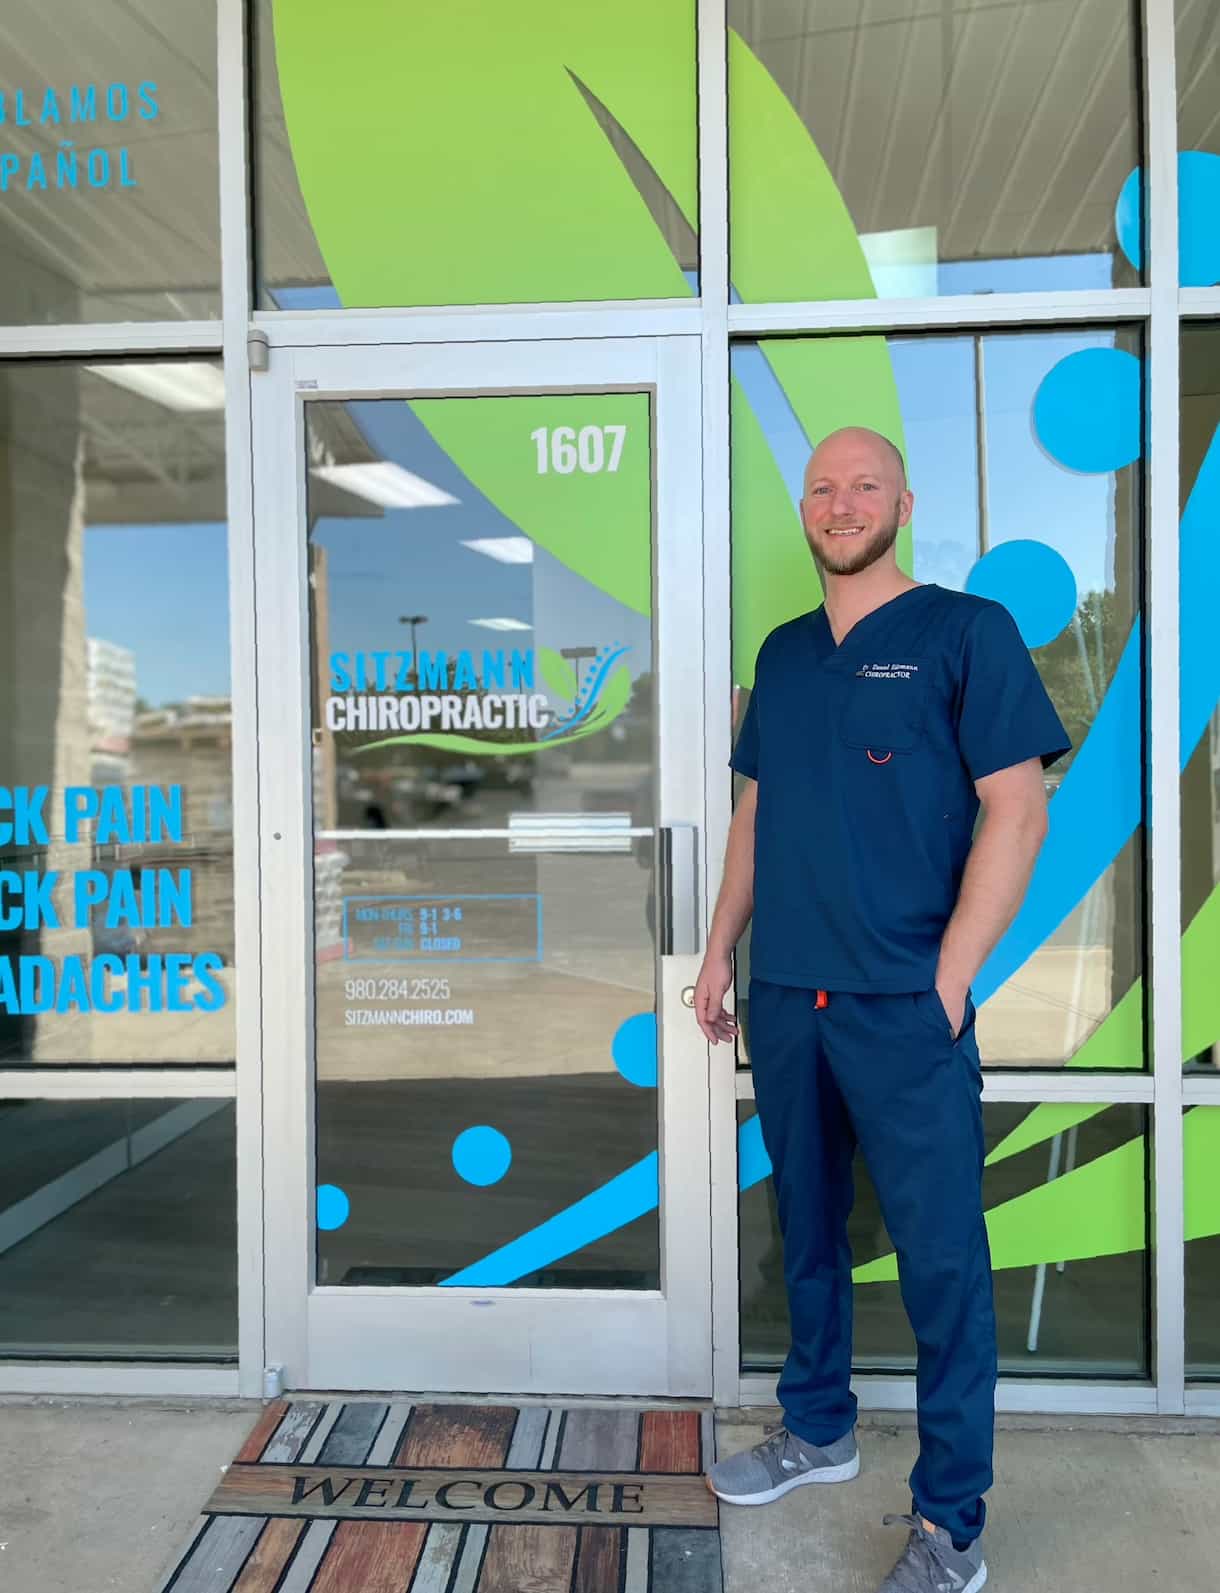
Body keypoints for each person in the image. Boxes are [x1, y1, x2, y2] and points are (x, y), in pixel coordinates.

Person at [696, 427, 1069, 1593]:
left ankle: (949, 1521)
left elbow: (1015, 811)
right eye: (823, 487)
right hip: (788, 997)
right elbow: (757, 817)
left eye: (863, 485)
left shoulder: (966, 634)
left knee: (940, 1260)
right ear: (805, 511)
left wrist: (952, 972)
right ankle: (816, 1429)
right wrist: (717, 953)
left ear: (903, 501)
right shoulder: (785, 652)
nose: (841, 502)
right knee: (805, 1234)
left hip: (906, 1004)